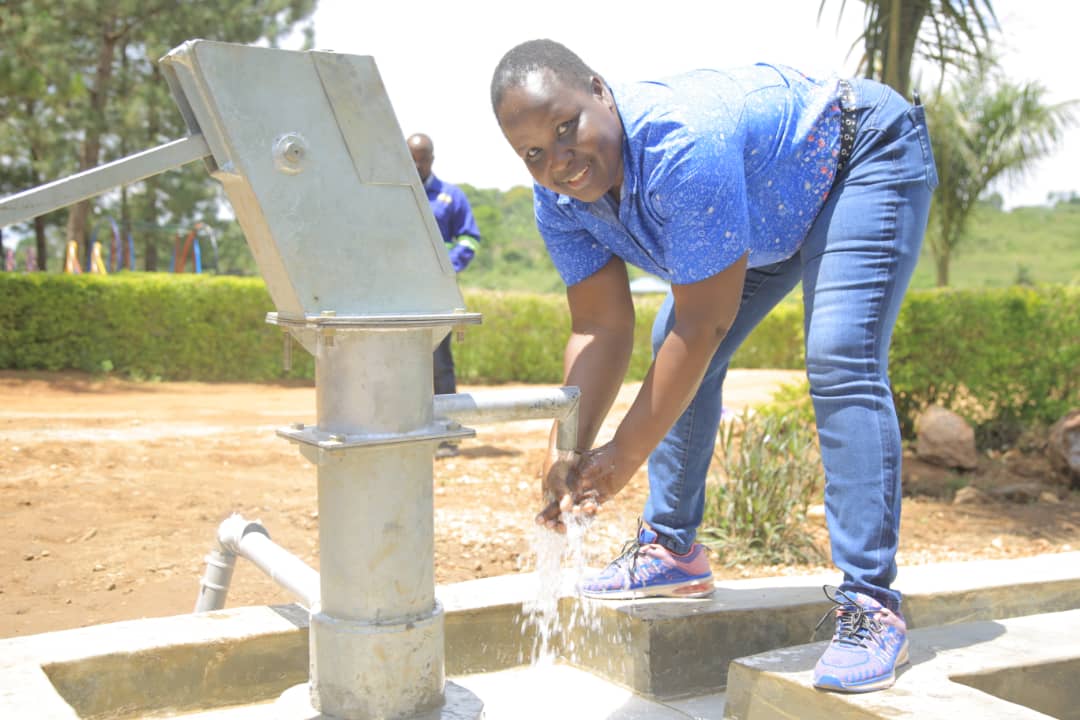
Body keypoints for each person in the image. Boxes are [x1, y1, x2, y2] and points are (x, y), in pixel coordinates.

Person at [490, 39, 936, 694]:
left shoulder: (678, 146)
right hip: (769, 208)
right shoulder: (559, 201)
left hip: (856, 157)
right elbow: (600, 327)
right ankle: (673, 550)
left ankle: (872, 605)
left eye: (567, 128)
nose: (560, 161)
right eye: (534, 153)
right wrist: (569, 451)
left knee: (839, 353)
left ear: (598, 89)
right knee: (671, 333)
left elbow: (706, 326)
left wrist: (619, 460)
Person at [407, 133, 482, 458]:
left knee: (439, 364)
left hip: (437, 294)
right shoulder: (392, 196)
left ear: (431, 159)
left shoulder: (450, 198)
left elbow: (470, 239)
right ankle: (407, 433)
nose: (415, 164)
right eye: (409, 158)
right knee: (401, 363)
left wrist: (444, 269)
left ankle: (446, 435)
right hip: (399, 296)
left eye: (420, 158)